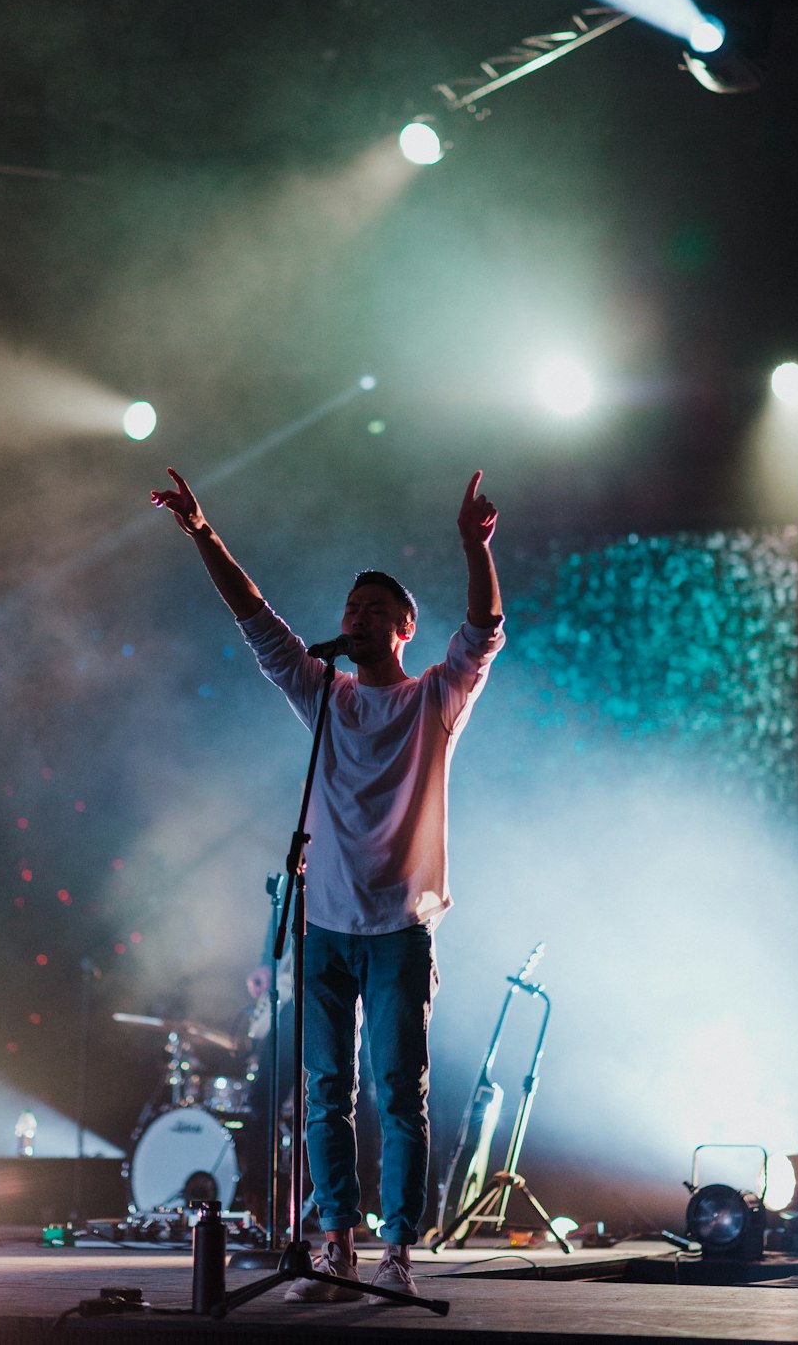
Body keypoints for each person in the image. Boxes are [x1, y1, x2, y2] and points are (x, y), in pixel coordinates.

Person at [151, 467, 504, 1302]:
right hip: (325, 927)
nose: (358, 619)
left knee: (399, 1095)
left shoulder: (436, 700)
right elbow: (256, 619)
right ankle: (336, 1241)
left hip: (401, 926)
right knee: (324, 1093)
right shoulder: (324, 697)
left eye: (376, 610)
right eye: (351, 610)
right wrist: (204, 534)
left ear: (406, 629)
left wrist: (471, 547)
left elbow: (485, 629)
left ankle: (397, 1250)